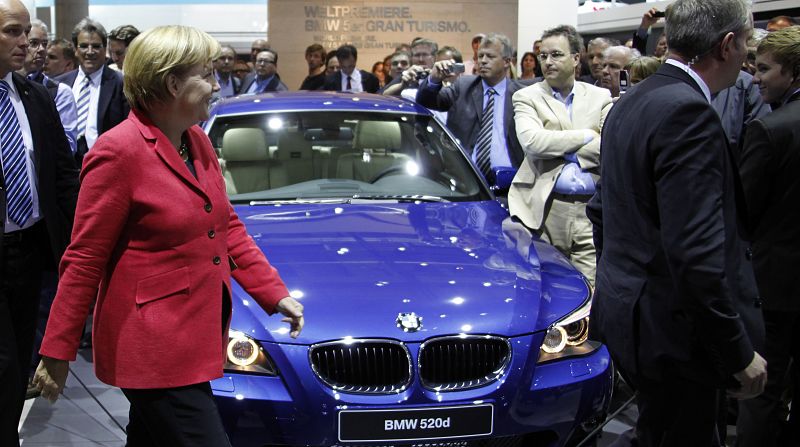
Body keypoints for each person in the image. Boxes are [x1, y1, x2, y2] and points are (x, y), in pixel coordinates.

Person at [32, 25, 304, 446]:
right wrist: (58, 348)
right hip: (153, 347)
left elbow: (225, 225)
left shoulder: (195, 140)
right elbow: (84, 258)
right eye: (206, 74)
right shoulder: (117, 152)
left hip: (194, 336)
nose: (216, 85)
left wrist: (273, 292)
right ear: (173, 82)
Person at [587, 0, 767, 444]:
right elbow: (694, 255)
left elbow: (601, 212)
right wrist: (736, 351)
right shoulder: (688, 113)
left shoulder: (632, 101)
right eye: (746, 43)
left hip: (633, 320)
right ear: (726, 46)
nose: (748, 55)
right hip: (675, 335)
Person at [0, 1, 79, 444]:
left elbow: (63, 178)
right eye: (13, 31)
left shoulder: (35, 97)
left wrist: (77, 250)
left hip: (29, 250)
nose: (25, 42)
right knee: (5, 363)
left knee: (19, 366)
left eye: (27, 32)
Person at [508, 25, 612, 285]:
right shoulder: (526, 96)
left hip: (591, 210)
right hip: (544, 209)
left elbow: (610, 146)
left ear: (576, 58)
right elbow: (533, 142)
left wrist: (560, 148)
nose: (547, 62)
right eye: (543, 56)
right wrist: (587, 136)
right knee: (545, 289)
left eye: (556, 54)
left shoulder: (600, 96)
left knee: (588, 292)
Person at [737, 25, 800, 447]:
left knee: (762, 392)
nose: (755, 77)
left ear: (793, 72)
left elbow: (741, 213)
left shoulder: (771, 129)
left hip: (773, 288)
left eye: (763, 69)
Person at [416, 33, 529, 182]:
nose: (483, 61)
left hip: (511, 183)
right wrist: (434, 79)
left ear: (507, 62)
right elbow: (426, 102)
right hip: (466, 180)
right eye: (480, 56)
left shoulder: (521, 94)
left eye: (490, 56)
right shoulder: (463, 86)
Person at [56, 17, 128, 162]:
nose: (90, 52)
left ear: (105, 49)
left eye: (96, 46)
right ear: (75, 49)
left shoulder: (120, 83)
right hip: (66, 166)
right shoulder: (59, 85)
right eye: (83, 46)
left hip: (106, 163)